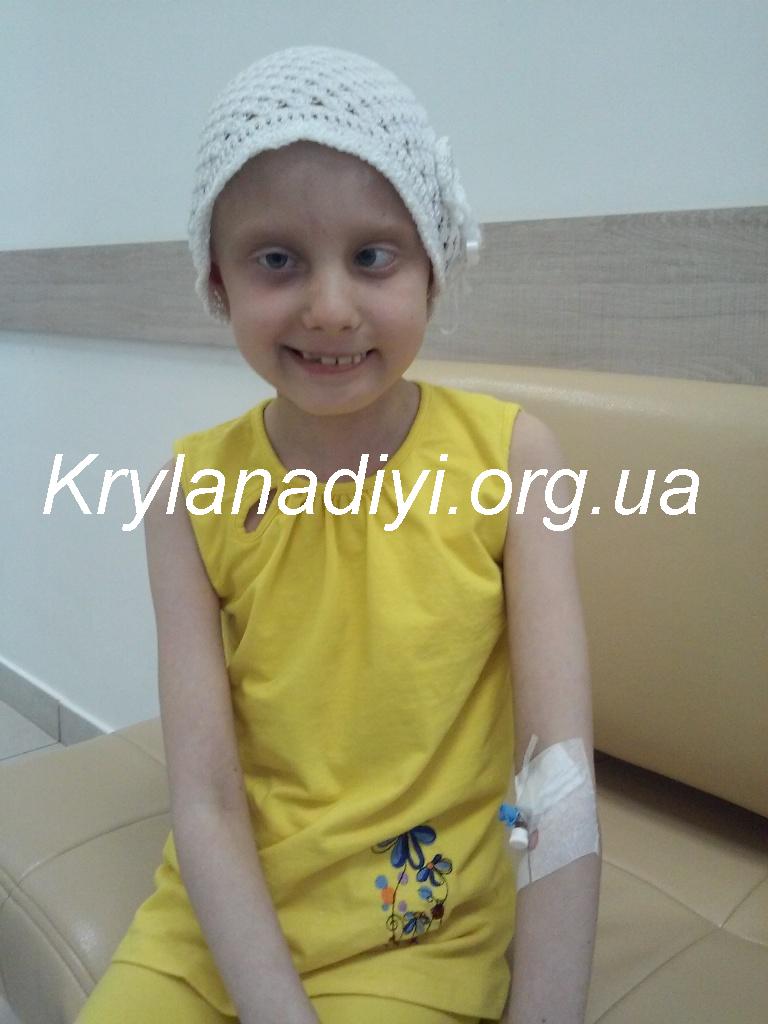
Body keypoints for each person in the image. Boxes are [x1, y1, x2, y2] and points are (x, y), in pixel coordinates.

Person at [76, 45, 600, 1024]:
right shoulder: (186, 494)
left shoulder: (515, 460)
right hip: (213, 922)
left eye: (372, 255)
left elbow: (555, 780)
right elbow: (205, 799)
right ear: (219, 282)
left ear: (433, 267)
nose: (328, 309)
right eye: (277, 259)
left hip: (417, 932)